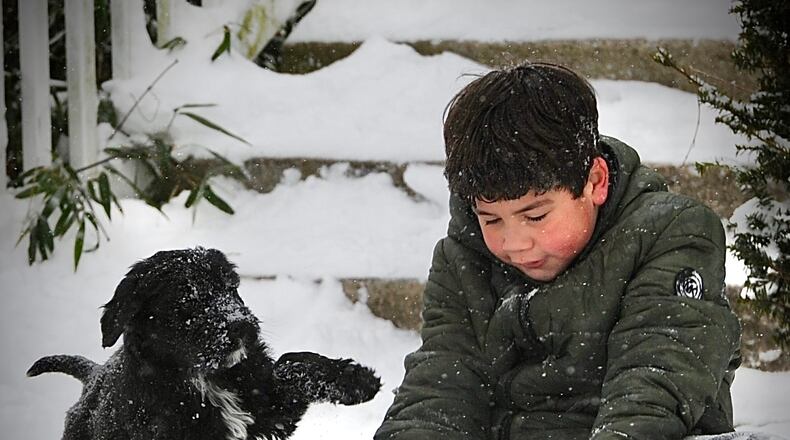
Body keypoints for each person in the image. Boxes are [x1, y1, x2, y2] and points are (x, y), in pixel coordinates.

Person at [374, 63, 742, 440]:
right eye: (491, 220)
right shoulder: (462, 257)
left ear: (594, 182)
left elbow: (656, 378)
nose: (514, 244)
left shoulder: (670, 233)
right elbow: (441, 386)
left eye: (535, 216)